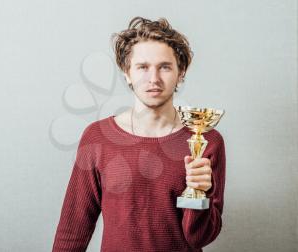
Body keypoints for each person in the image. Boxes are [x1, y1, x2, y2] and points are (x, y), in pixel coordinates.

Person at [52, 16, 226, 252]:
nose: (153, 79)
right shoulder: (97, 137)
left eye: (165, 67)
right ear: (127, 73)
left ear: (181, 72)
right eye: (142, 67)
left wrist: (200, 195)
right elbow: (73, 229)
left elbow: (199, 238)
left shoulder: (207, 140)